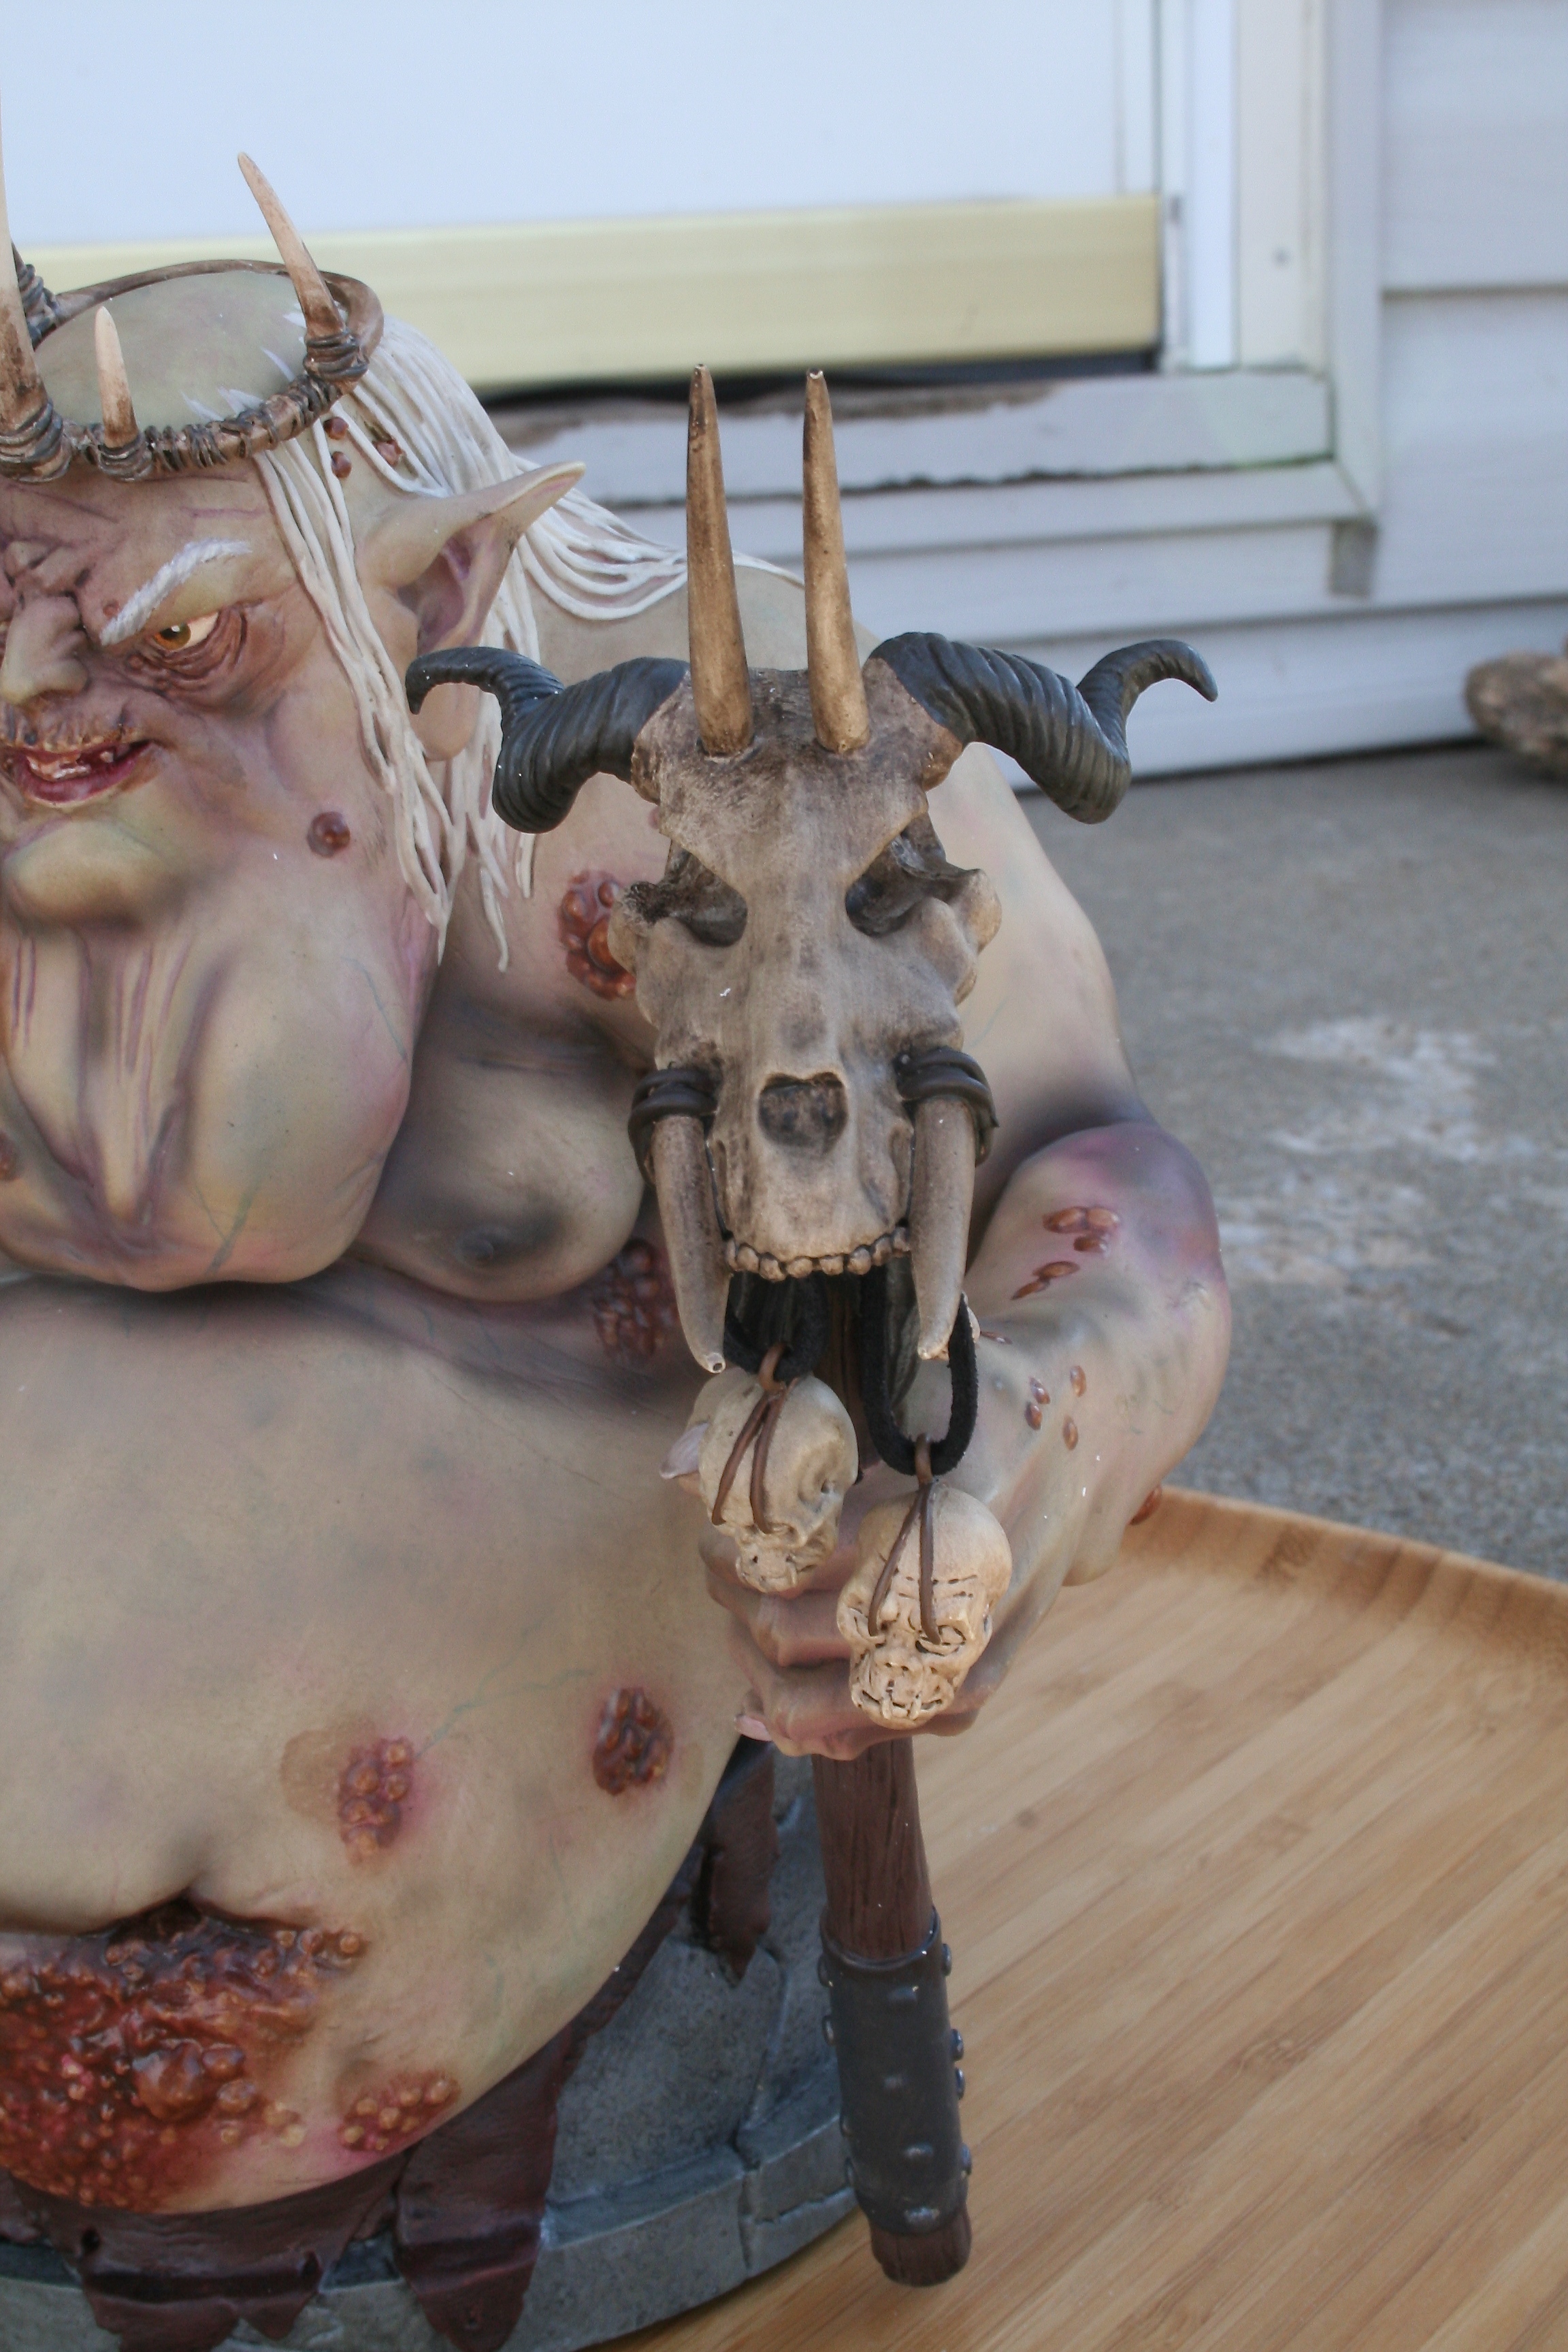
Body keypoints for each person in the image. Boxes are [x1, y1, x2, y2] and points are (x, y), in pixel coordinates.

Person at [0, 164, 1228, 2230]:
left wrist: (1031, 1435)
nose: (44, 695)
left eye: (186, 637)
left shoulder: (707, 775)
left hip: (421, 1833)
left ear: (437, 593)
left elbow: (1085, 1168)